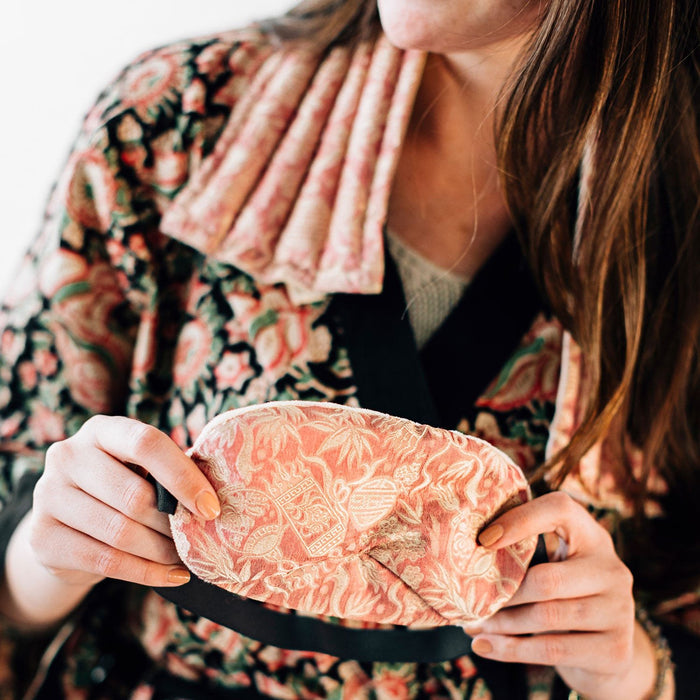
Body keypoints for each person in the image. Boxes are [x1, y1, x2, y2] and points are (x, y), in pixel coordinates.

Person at [0, 0, 698, 698]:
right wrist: (49, 555)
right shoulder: (180, 119)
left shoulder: (682, 217)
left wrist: (636, 669)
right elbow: (21, 503)